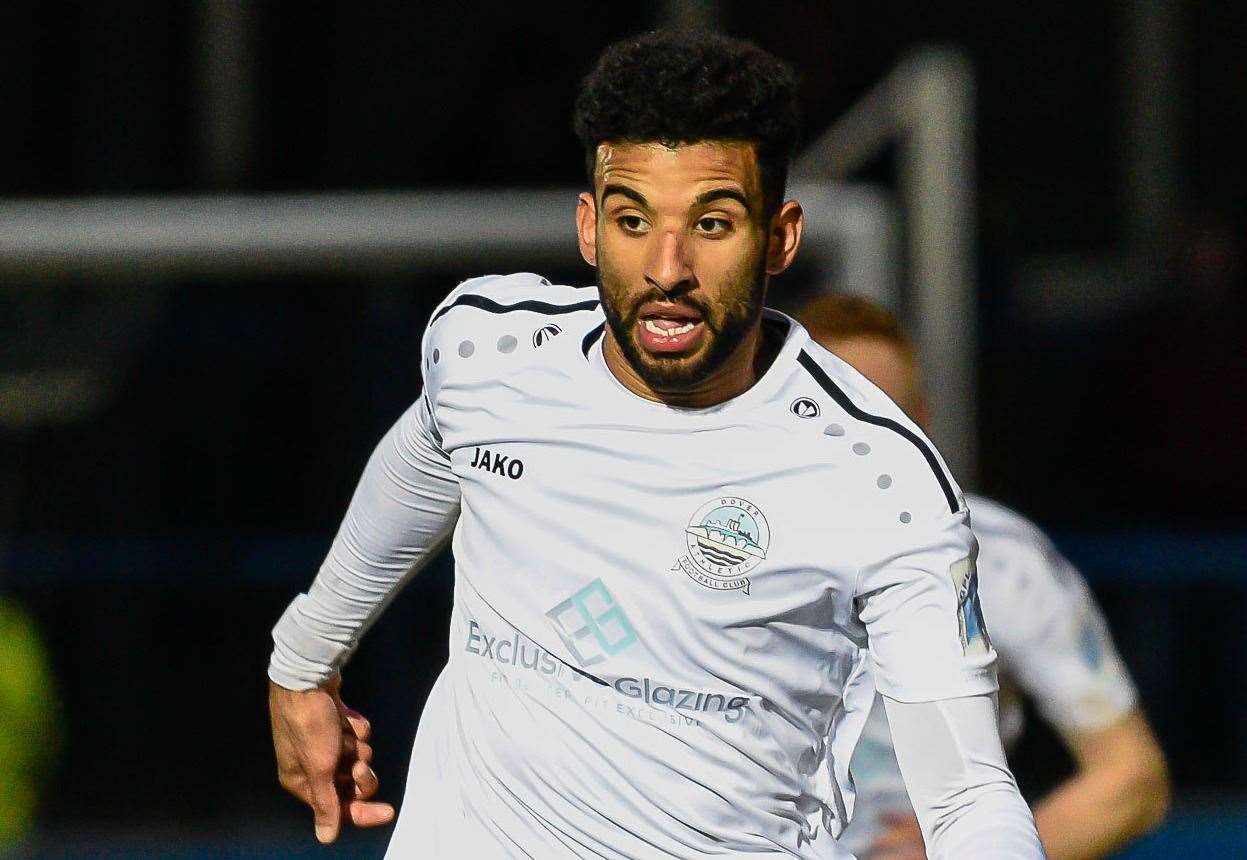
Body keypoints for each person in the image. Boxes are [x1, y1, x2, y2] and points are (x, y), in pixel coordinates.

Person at [267, 31, 1044, 858]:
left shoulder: (881, 478)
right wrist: (306, 657)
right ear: (588, 227)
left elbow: (963, 792)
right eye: (632, 219)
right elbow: (425, 455)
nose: (666, 266)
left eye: (712, 223)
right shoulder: (487, 353)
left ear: (779, 238)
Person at [798, 293, 1169, 860]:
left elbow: (1130, 779)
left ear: (922, 422)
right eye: (831, 417)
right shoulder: (706, 549)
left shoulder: (997, 559)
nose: (861, 441)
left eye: (884, 416)